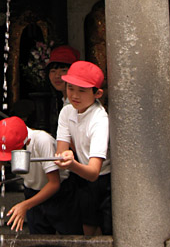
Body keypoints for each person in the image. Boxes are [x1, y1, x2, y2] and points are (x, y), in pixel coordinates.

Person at [0, 116, 81, 234]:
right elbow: (2, 151)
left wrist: (25, 206)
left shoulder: (42, 141)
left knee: (70, 238)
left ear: (26, 142)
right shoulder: (11, 135)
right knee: (38, 240)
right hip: (32, 192)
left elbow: (54, 184)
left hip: (60, 195)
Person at [54, 60, 111, 236]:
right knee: (86, 225)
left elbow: (94, 172)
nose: (75, 95)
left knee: (107, 228)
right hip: (81, 176)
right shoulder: (66, 112)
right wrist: (63, 158)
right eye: (71, 88)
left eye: (82, 90)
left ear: (97, 93)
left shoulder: (100, 120)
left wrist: (70, 164)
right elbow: (61, 149)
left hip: (104, 179)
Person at [46, 45, 80, 132]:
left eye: (63, 70)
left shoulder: (79, 102)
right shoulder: (63, 99)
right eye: (53, 71)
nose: (57, 76)